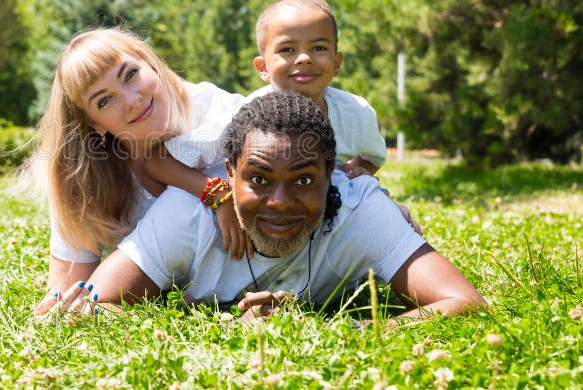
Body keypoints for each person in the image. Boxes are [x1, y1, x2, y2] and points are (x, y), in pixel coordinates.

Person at [56, 92, 486, 322]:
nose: (279, 204)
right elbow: (94, 303)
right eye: (259, 180)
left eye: (303, 181)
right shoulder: (186, 216)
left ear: (330, 174)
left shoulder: (360, 211)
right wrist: (225, 330)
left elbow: (464, 301)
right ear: (229, 173)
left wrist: (347, 329)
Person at [145, 0, 416, 260]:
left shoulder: (356, 113)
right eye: (287, 49)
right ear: (262, 67)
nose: (304, 58)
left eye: (319, 48)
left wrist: (357, 173)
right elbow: (158, 162)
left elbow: (372, 157)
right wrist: (219, 196)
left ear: (337, 63)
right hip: (243, 238)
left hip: (315, 227)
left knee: (398, 217)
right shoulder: (245, 120)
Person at [23, 28, 244, 316]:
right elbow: (66, 292)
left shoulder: (218, 112)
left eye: (130, 74)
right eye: (104, 100)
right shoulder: (87, 177)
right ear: (94, 123)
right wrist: (64, 307)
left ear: (148, 63)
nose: (131, 99)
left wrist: (222, 191)